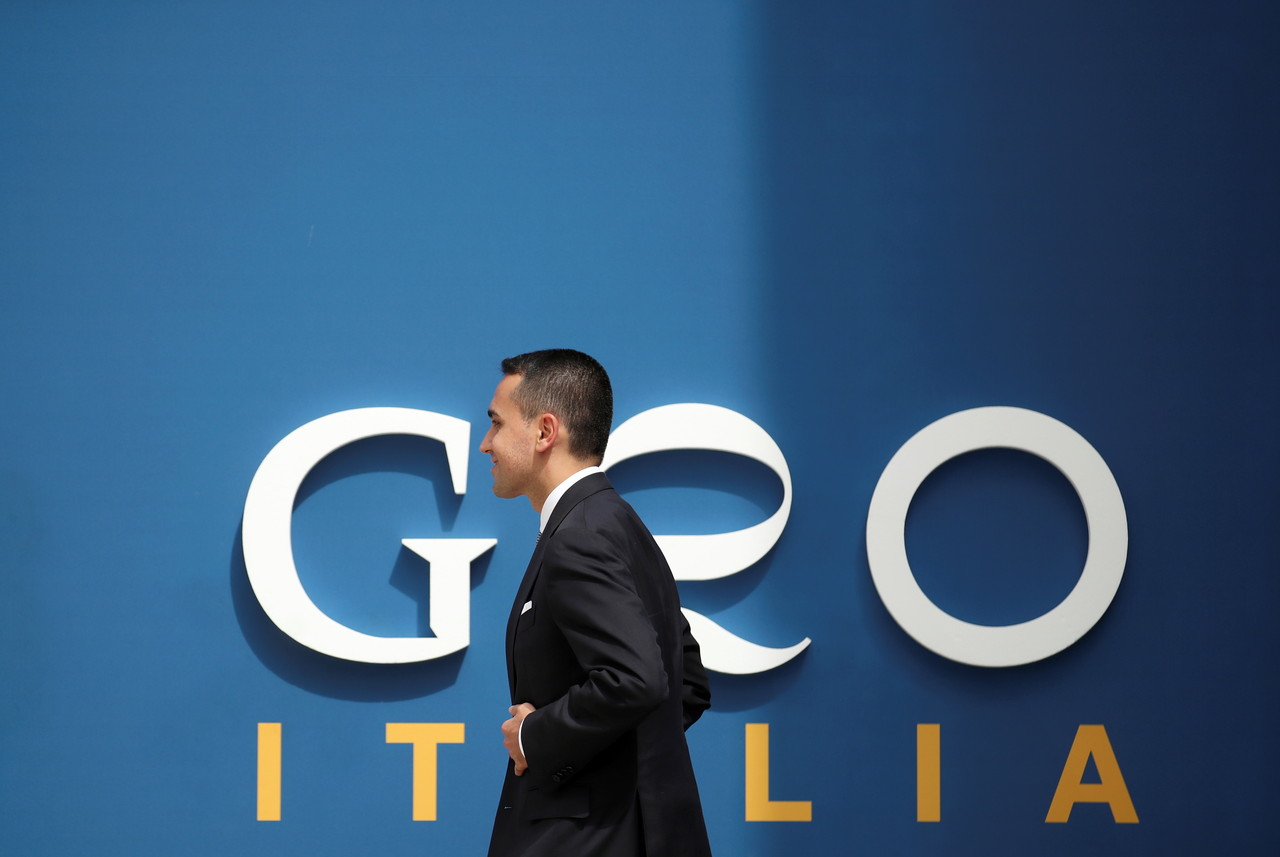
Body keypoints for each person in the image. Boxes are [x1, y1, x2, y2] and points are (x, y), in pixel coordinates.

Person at [480, 348, 713, 857]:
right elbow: (685, 683)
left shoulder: (580, 535)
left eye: (496, 423)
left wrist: (535, 736)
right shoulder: (617, 523)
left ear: (545, 431)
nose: (486, 443)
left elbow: (638, 680)